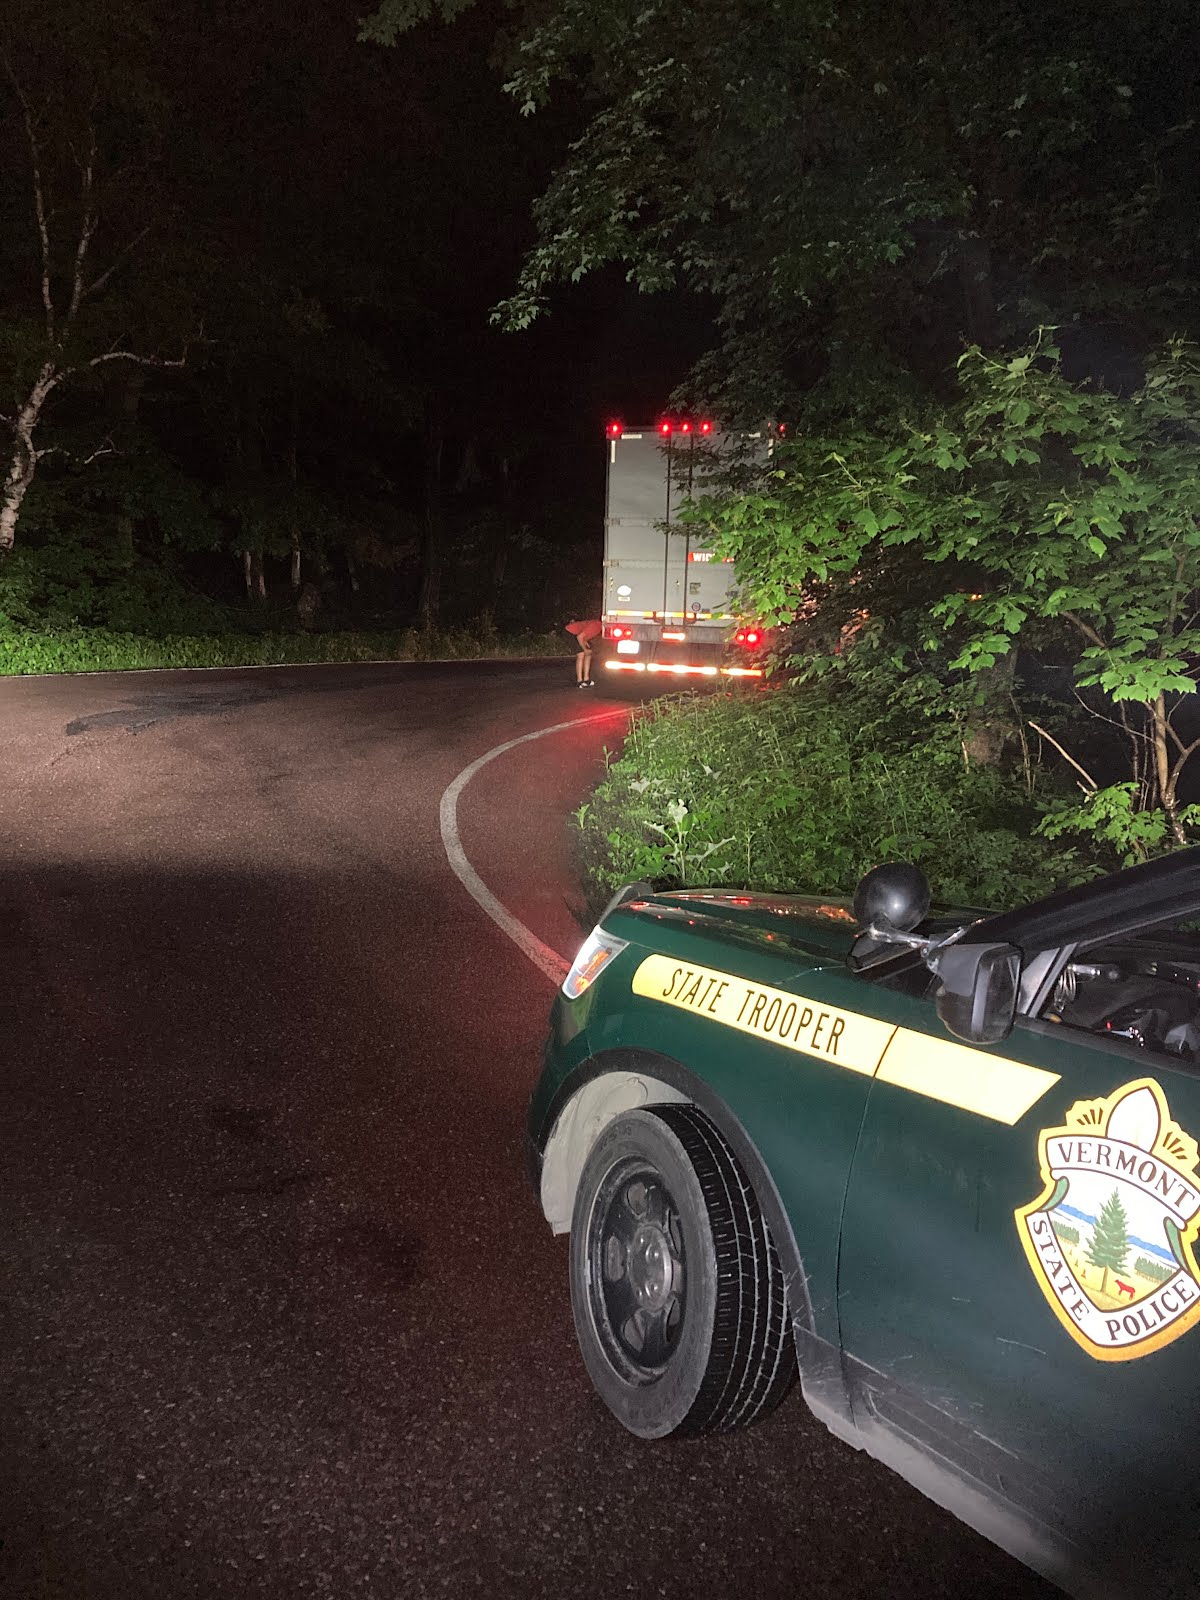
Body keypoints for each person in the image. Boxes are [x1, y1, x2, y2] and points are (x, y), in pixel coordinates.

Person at [565, 617, 603, 686]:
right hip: (569, 632)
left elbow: (584, 634)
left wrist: (586, 645)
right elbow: (579, 637)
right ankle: (579, 681)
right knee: (581, 654)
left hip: (578, 634)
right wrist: (585, 649)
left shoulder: (599, 628)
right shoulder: (596, 626)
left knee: (588, 654)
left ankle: (586, 679)